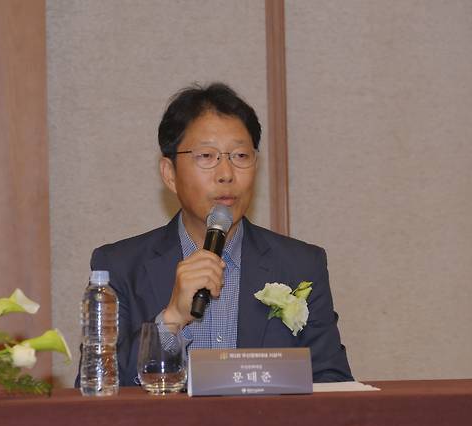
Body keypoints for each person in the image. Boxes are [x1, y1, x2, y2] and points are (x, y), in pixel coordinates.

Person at [83, 83, 352, 386]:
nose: (226, 174)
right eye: (207, 156)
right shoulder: (120, 266)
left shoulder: (301, 264)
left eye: (239, 155)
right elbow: (97, 387)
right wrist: (170, 319)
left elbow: (334, 384)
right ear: (169, 173)